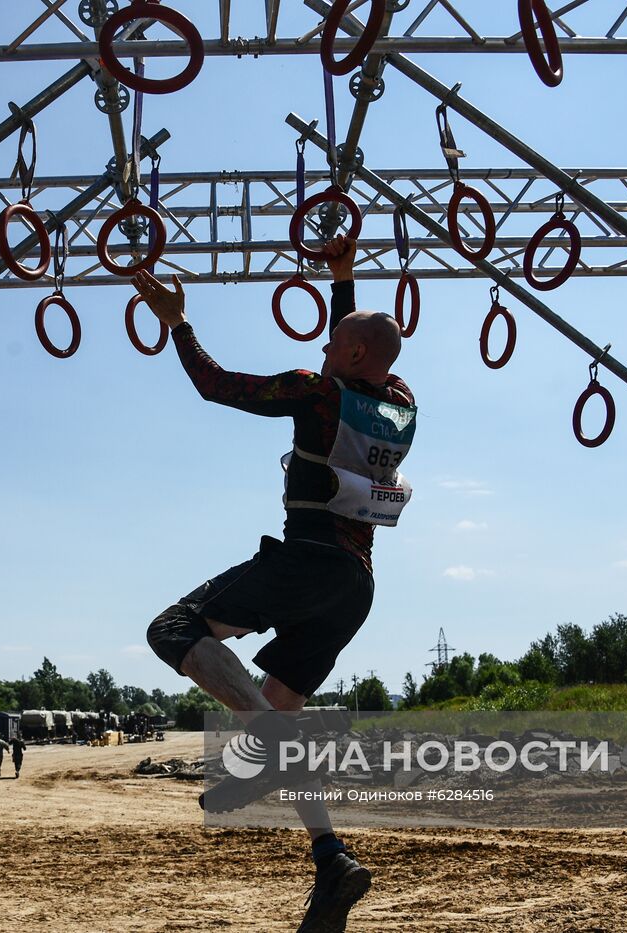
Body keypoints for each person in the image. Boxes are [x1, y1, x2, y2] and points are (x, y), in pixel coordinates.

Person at [131, 235, 415, 933]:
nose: (321, 349)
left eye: (331, 343)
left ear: (346, 357)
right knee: (278, 714)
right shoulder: (401, 402)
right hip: (356, 585)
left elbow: (216, 385)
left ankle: (256, 759)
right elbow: (358, 350)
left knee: (172, 629)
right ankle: (330, 855)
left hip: (307, 560)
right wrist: (343, 279)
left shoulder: (316, 391)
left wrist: (177, 322)